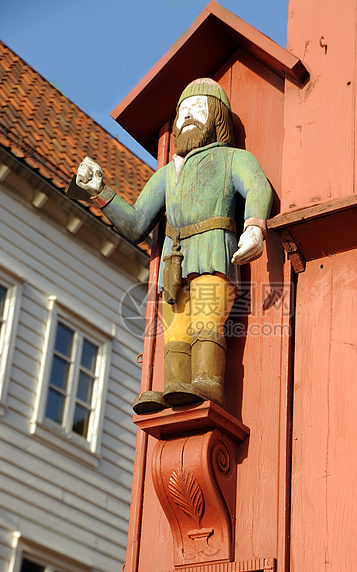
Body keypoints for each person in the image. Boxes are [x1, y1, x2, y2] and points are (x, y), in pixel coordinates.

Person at [76, 78, 272, 413]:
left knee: (207, 318)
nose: (188, 118)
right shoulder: (168, 174)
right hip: (174, 261)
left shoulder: (232, 159)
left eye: (199, 110)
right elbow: (138, 223)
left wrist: (254, 226)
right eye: (183, 112)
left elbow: (258, 187)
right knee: (176, 326)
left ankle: (207, 382)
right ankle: (175, 387)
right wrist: (100, 192)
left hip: (214, 250)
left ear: (218, 118)